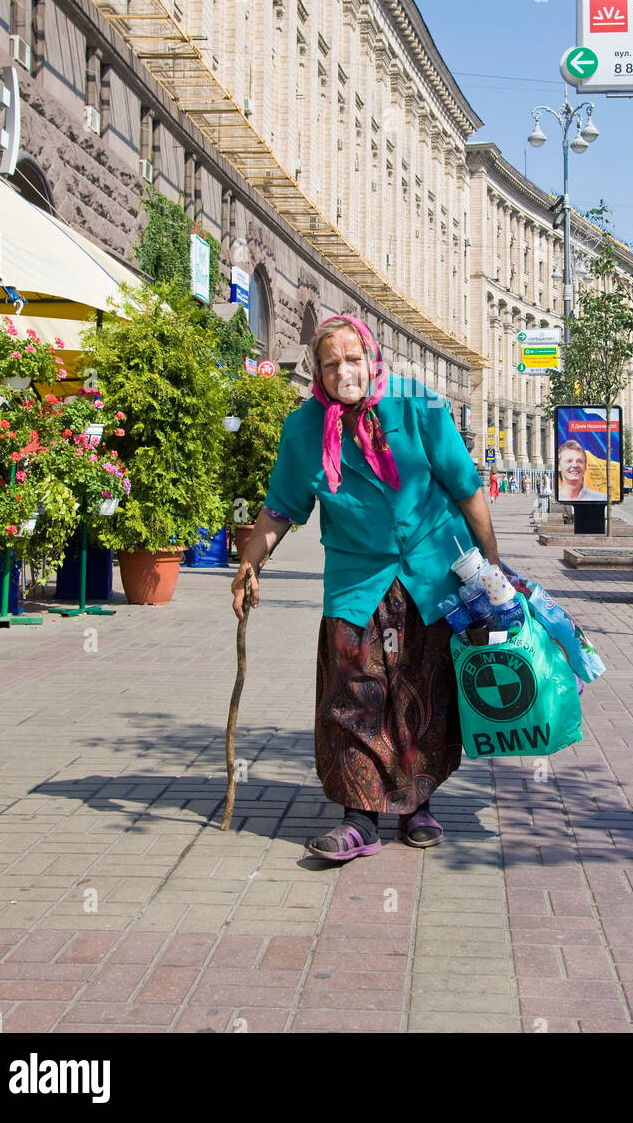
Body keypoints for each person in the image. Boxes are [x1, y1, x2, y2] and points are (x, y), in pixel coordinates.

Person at [230, 314, 506, 863]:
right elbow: (282, 508)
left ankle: (416, 804)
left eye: (353, 360)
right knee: (353, 694)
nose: (344, 373)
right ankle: (359, 818)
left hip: (431, 572)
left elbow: (467, 488)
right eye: (331, 364)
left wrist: (491, 569)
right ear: (317, 372)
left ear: (371, 357)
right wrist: (249, 563)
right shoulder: (304, 430)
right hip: (357, 581)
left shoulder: (417, 404)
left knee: (422, 691)